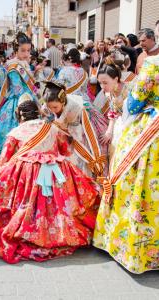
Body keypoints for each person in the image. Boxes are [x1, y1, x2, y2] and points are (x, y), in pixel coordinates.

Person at [0, 100, 100, 264]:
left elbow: (3, 160)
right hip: (54, 171)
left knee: (27, 204)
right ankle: (59, 234)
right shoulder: (53, 128)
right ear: (38, 112)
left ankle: (32, 234)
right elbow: (66, 151)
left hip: (27, 175)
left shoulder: (16, 132)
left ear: (20, 115)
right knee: (59, 204)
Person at [93, 54, 159, 274]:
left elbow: (133, 103)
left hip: (151, 133)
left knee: (134, 184)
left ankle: (135, 247)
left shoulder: (152, 65)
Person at [0, 32, 37, 163]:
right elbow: (18, 89)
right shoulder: (14, 67)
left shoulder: (23, 64)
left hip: (27, 100)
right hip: (18, 103)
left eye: (28, 50)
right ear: (15, 50)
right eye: (23, 50)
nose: (26, 54)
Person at [42, 81, 107, 179]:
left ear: (63, 102)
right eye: (49, 107)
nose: (52, 110)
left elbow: (80, 134)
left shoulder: (74, 109)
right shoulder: (50, 105)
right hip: (67, 129)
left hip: (82, 127)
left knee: (82, 157)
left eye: (55, 107)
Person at [96, 60, 131, 157]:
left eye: (105, 83)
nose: (102, 86)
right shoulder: (109, 93)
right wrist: (109, 132)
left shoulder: (129, 90)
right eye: (100, 83)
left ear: (116, 79)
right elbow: (113, 112)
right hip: (120, 126)